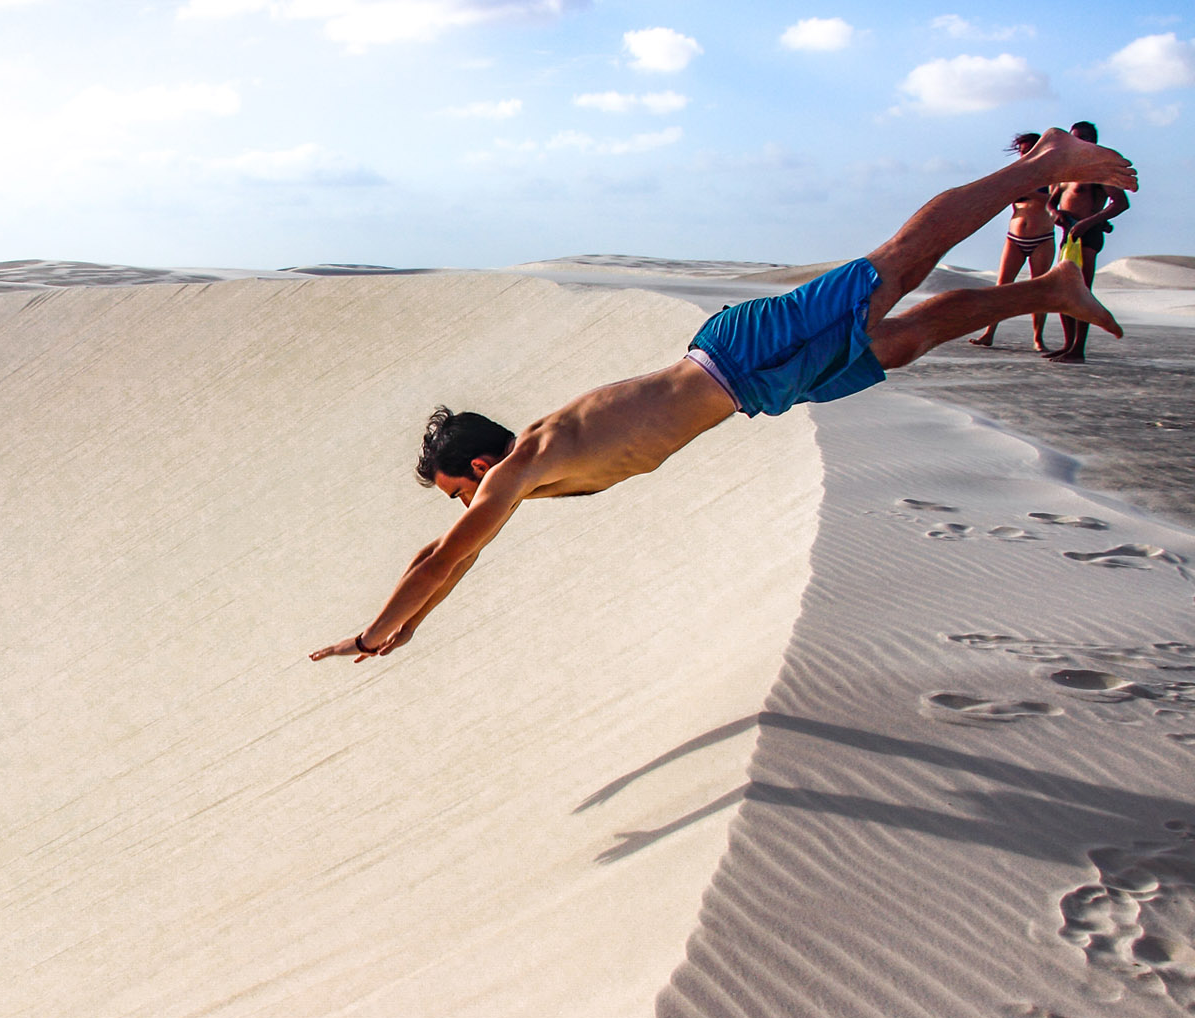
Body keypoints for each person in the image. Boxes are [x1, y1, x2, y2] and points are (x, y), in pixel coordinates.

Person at [311, 127, 1137, 664]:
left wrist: (372, 628)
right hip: (755, 388)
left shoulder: (517, 469)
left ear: (478, 467)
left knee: (903, 259)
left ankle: (1042, 163)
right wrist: (409, 629)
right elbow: (456, 564)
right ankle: (1052, 288)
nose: (462, 508)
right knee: (908, 339)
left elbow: (441, 557)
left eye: (456, 492)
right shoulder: (526, 474)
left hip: (738, 355)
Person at [1044, 121, 1131, 363]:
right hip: (1068, 234)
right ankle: (1067, 344)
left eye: (1082, 138)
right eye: (1073, 138)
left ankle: (1078, 349)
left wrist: (1092, 221)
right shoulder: (1067, 170)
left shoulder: (1099, 170)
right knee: (1063, 290)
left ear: (1093, 141)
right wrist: (1055, 214)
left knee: (1080, 291)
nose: (1076, 142)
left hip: (1087, 234)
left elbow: (1121, 203)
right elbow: (1052, 201)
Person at [968, 132, 1056, 350]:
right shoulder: (1016, 174)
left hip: (1042, 237)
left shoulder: (1052, 174)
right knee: (1002, 286)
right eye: (1022, 151)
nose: (1024, 155)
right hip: (1015, 236)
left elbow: (1056, 201)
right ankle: (989, 333)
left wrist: (1030, 193)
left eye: (1029, 150)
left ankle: (1038, 339)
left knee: (1039, 288)